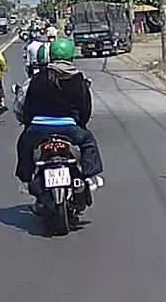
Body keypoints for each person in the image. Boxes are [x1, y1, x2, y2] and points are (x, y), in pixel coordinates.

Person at [16, 37, 103, 193]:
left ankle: (26, 180)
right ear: (71, 56)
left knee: (24, 145)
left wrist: (29, 125)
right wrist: (81, 125)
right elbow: (85, 108)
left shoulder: (37, 78)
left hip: (39, 128)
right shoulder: (78, 78)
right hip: (69, 128)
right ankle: (90, 176)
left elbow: (28, 107)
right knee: (88, 142)